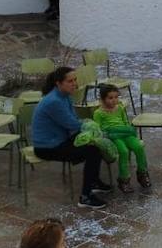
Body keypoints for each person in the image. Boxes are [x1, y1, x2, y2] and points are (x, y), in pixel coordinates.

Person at [33, 68, 108, 209]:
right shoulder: (54, 101)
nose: (74, 84)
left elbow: (73, 121)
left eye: (75, 80)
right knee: (93, 151)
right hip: (47, 147)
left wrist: (90, 133)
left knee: (95, 144)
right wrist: (92, 128)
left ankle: (94, 182)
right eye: (70, 81)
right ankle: (85, 197)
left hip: (60, 139)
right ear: (58, 83)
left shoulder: (65, 96)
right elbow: (72, 124)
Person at [92, 86, 150, 196]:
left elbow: (125, 122)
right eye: (110, 98)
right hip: (112, 136)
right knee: (123, 151)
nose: (114, 100)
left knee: (138, 147)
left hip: (125, 133)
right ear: (103, 99)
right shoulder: (98, 113)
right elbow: (98, 130)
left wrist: (127, 131)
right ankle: (124, 180)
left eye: (116, 97)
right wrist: (108, 134)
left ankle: (142, 173)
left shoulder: (120, 108)